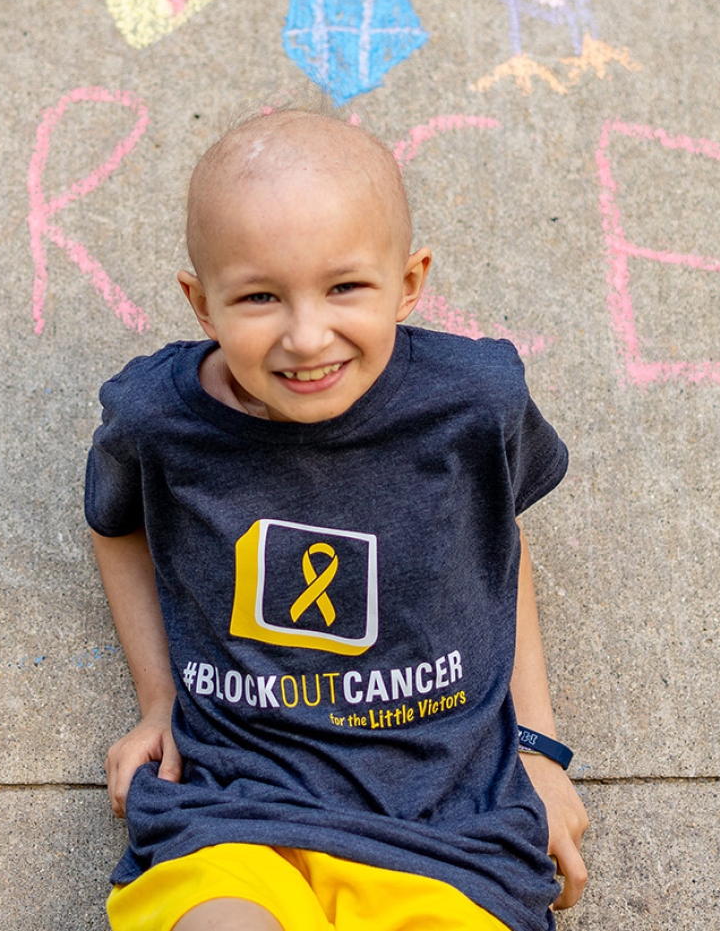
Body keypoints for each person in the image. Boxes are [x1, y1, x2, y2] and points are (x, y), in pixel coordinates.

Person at [85, 108, 588, 931]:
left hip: (446, 827)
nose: (306, 335)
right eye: (258, 296)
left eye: (345, 286)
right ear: (200, 304)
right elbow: (116, 526)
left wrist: (536, 747)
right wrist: (158, 699)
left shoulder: (474, 400)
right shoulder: (157, 418)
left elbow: (502, 542)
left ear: (411, 281)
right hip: (236, 808)